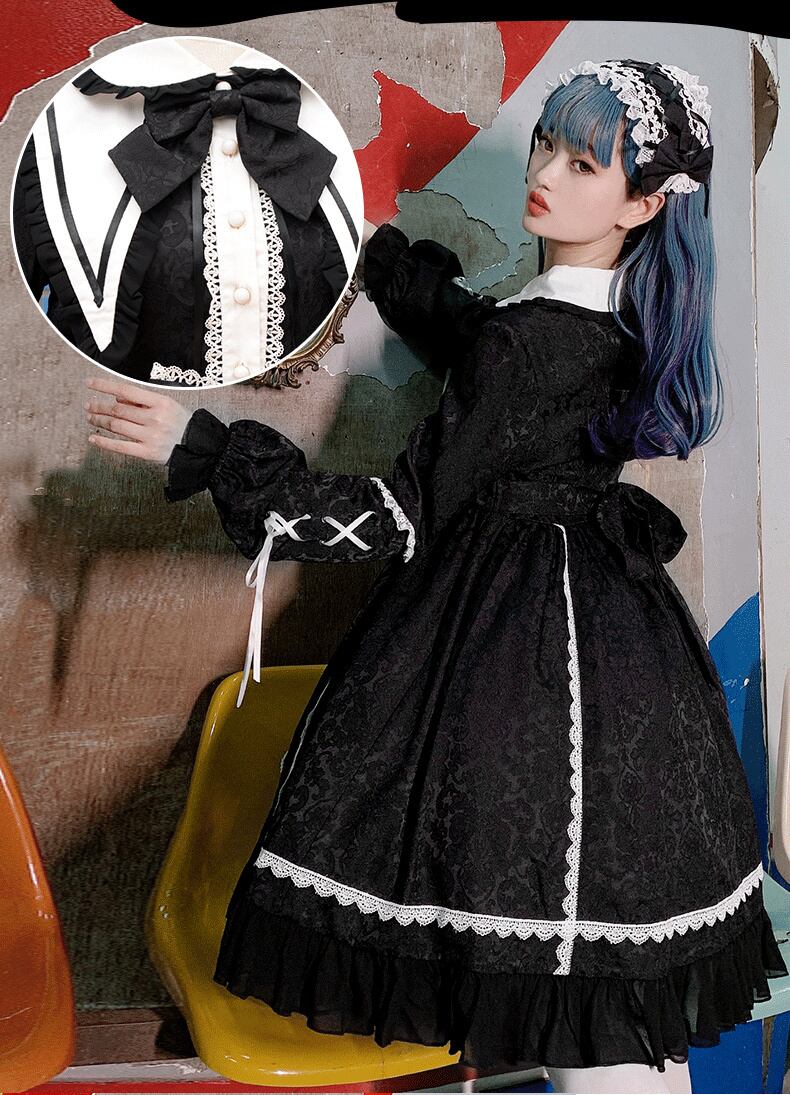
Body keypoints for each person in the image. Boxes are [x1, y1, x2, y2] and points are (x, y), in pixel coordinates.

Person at [84, 59, 787, 1093]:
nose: (542, 173)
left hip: (513, 657)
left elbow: (395, 514)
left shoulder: (530, 343)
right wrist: (391, 270)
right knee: (599, 1002)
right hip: (613, 645)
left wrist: (204, 447)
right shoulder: (610, 316)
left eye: (582, 164)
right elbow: (496, 352)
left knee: (573, 1007)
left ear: (641, 204)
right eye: (547, 143)